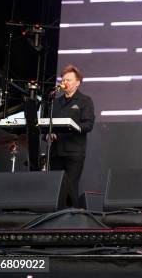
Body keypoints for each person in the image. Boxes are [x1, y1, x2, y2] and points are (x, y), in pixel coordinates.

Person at [49, 64, 95, 204]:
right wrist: (48, 134)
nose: (65, 83)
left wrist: (71, 127)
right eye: (63, 80)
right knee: (56, 186)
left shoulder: (85, 101)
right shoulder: (55, 102)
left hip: (74, 151)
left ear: (77, 82)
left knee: (70, 186)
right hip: (56, 151)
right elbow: (48, 124)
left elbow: (88, 125)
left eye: (68, 80)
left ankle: (72, 216)